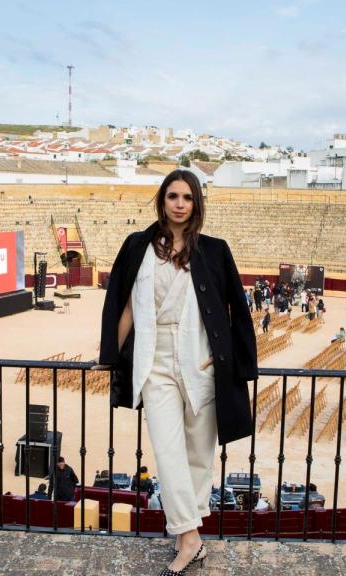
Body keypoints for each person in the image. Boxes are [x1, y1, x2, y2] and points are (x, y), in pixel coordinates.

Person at [99, 170, 256, 574]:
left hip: (200, 359)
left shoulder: (215, 250)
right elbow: (124, 306)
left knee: (199, 455)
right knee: (168, 453)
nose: (180, 204)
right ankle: (189, 538)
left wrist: (228, 358)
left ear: (196, 203)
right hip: (154, 361)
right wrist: (109, 355)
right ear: (162, 200)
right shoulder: (137, 246)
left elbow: (236, 309)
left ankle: (190, 539)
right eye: (173, 196)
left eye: (187, 197)